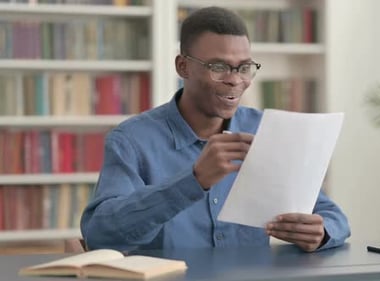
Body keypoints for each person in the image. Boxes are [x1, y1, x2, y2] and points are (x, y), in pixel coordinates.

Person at [80, 6, 350, 253]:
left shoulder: (267, 131)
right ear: (182, 66)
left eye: (244, 67)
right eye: (218, 67)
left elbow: (333, 216)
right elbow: (101, 235)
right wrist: (193, 180)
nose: (235, 81)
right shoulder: (131, 140)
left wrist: (321, 232)